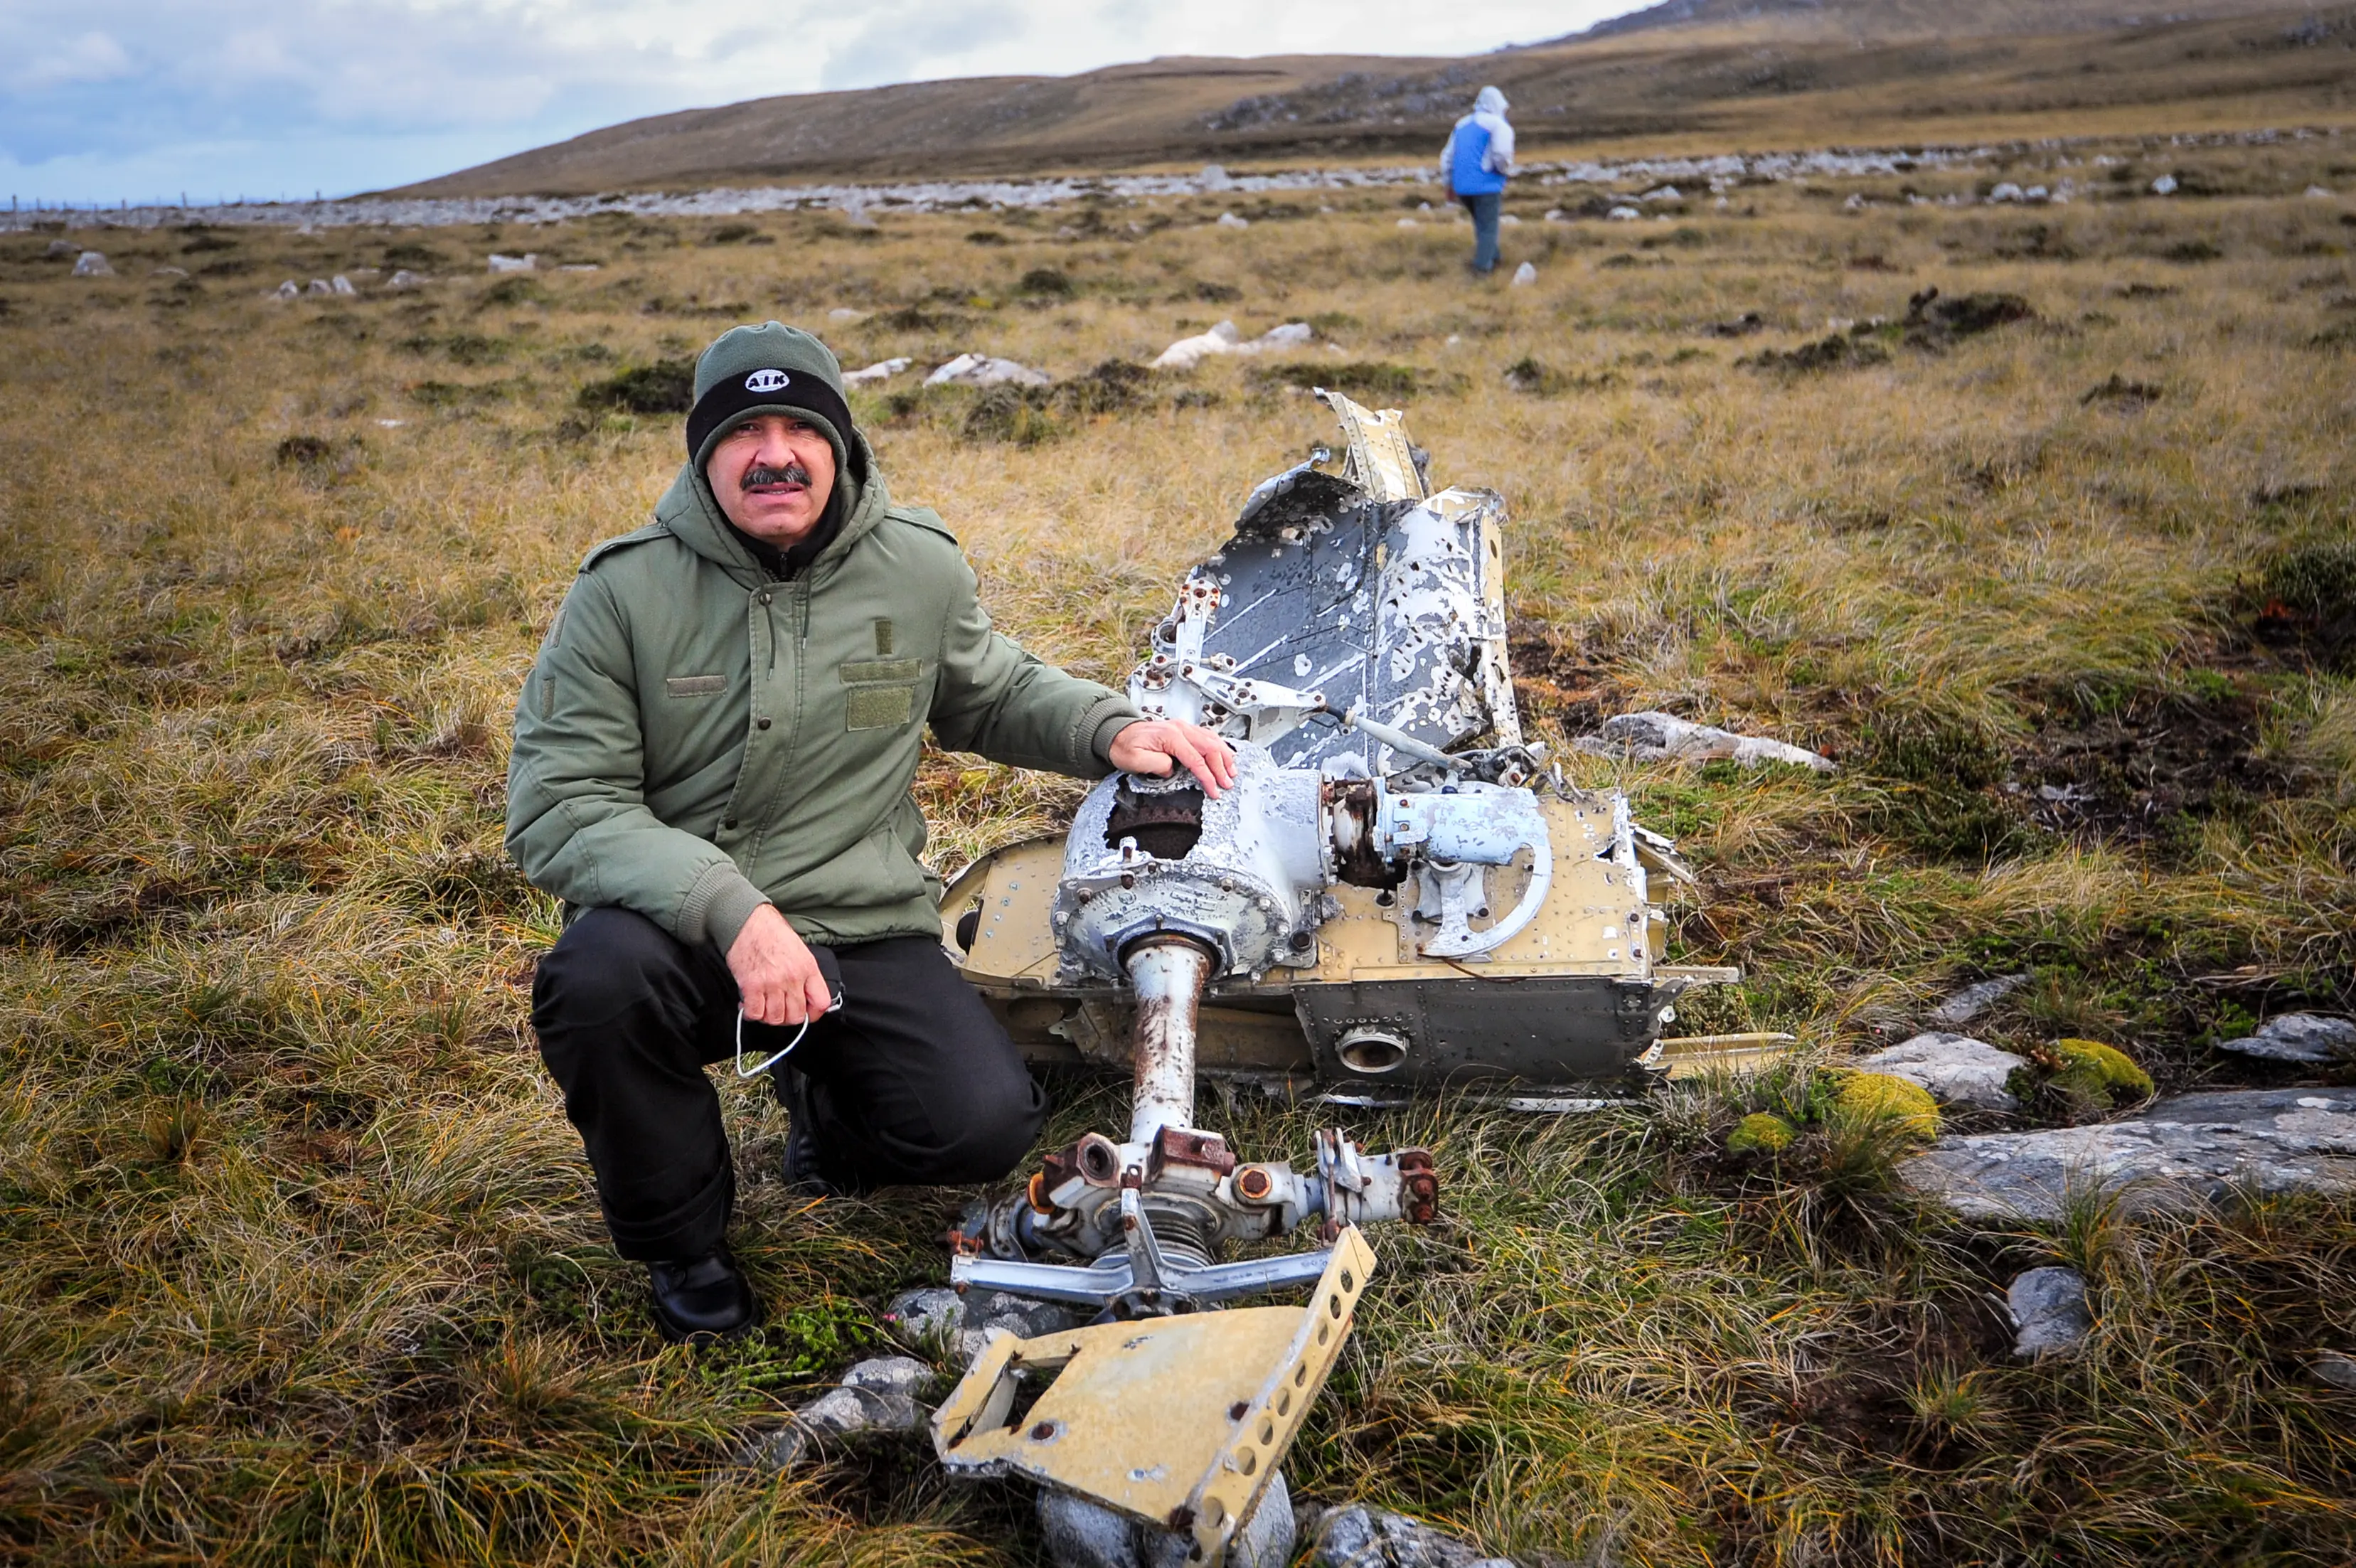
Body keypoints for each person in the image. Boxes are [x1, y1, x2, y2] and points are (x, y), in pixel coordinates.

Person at [506, 321, 1237, 1343]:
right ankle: (685, 1246)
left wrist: (1111, 725)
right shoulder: (621, 594)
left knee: (982, 1124)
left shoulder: (915, 565)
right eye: (741, 432)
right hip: (677, 932)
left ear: (838, 444)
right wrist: (732, 911)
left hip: (862, 921)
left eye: (798, 427)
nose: (774, 453)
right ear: (701, 454)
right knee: (593, 984)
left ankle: (828, 1122)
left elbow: (991, 689)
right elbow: (560, 805)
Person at [1439, 85, 1517, 276]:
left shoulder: (1462, 124)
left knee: (1482, 225)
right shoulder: (1498, 125)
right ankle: (1482, 269)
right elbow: (1502, 153)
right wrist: (1503, 170)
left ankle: (1494, 258)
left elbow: (1447, 157)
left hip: (1462, 186)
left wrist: (1448, 184)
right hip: (1487, 184)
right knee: (1489, 227)